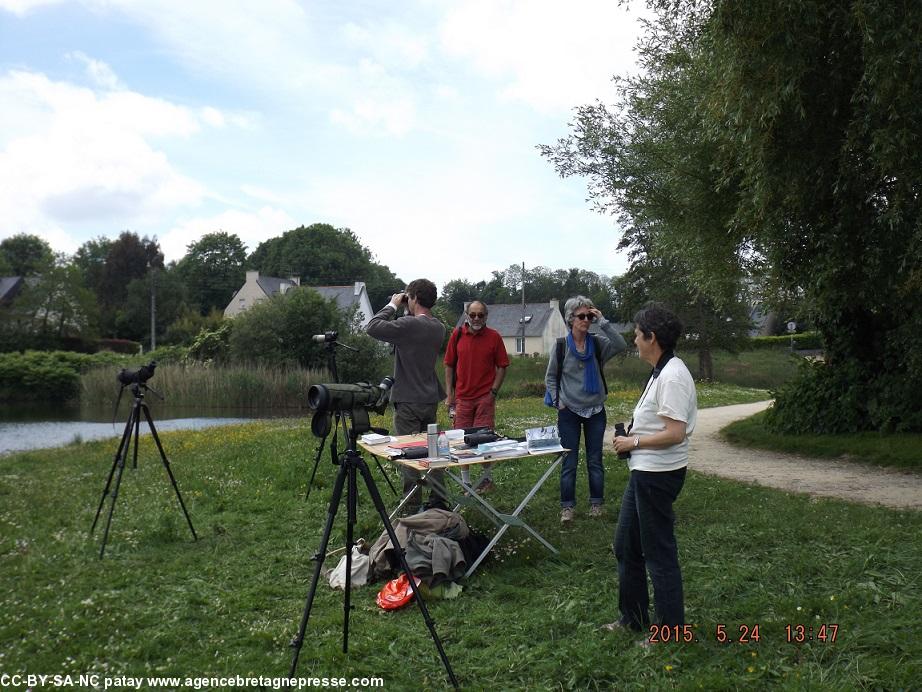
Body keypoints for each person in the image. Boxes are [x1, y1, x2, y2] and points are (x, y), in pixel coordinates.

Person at [608, 303, 697, 633]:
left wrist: (634, 443)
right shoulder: (661, 370)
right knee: (627, 545)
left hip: (658, 475)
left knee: (658, 552)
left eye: (637, 334)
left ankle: (671, 631)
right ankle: (633, 619)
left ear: (652, 337)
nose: (634, 340)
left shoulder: (672, 376)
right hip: (644, 472)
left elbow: (675, 433)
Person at [545, 296, 627, 522]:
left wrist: (603, 321)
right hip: (569, 411)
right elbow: (551, 377)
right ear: (571, 319)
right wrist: (558, 401)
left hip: (595, 411)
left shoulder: (598, 343)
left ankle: (596, 504)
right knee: (569, 461)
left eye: (589, 316)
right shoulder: (561, 346)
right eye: (581, 316)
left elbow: (621, 344)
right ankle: (567, 508)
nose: (586, 320)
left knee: (595, 459)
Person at [366, 278, 446, 512]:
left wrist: (392, 304)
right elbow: (413, 331)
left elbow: (372, 327)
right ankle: (439, 501)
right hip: (429, 398)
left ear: (414, 298)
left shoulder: (408, 325)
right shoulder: (438, 327)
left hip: (408, 400)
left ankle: (411, 505)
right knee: (433, 451)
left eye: (408, 297)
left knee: (410, 453)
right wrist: (406, 306)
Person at [444, 300, 510, 494]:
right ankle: (466, 483)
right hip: (462, 398)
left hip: (484, 398)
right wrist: (450, 395)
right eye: (473, 315)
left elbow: (502, 366)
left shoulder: (494, 337)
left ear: (486, 316)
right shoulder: (456, 336)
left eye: (480, 315)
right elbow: (448, 365)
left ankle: (486, 480)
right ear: (466, 315)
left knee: (484, 440)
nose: (476, 318)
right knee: (462, 440)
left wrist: (493, 392)